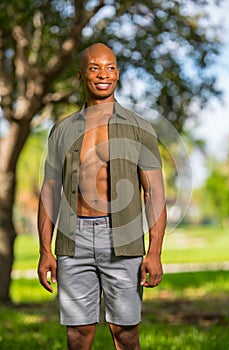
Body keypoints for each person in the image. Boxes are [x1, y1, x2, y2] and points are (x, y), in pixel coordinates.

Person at [37, 43, 167, 350]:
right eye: (95, 68)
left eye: (109, 67)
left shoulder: (139, 128)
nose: (103, 75)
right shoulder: (63, 129)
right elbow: (50, 190)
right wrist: (45, 250)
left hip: (123, 238)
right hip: (73, 240)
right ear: (82, 75)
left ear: (118, 74)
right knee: (77, 335)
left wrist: (155, 252)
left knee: (125, 334)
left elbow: (155, 192)